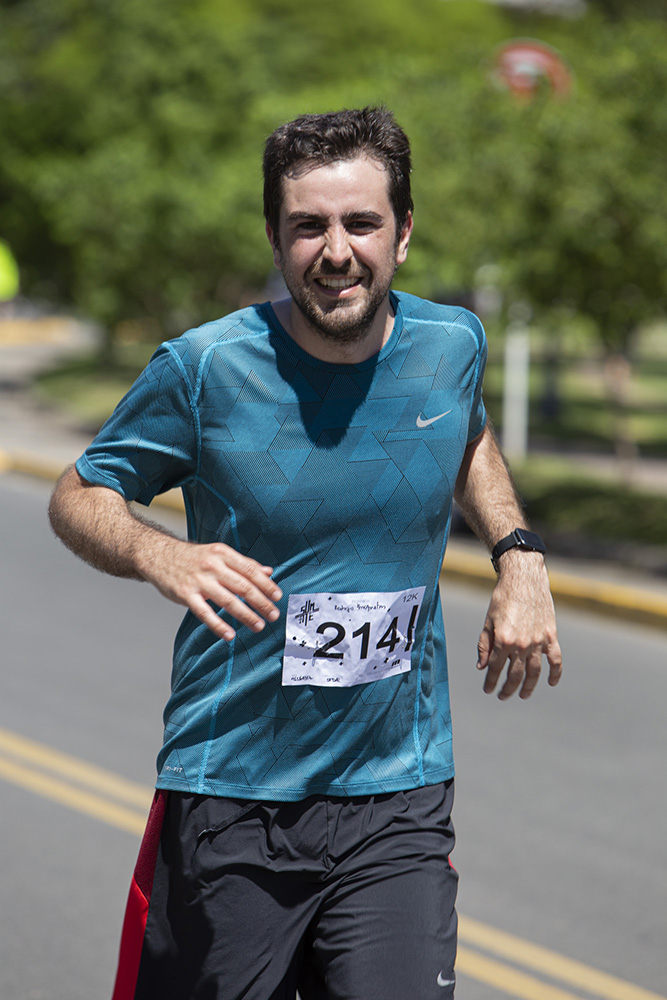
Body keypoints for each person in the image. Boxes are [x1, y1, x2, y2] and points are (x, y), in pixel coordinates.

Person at [49, 106, 562, 1000]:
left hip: (398, 799)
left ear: (403, 233)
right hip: (234, 797)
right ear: (275, 238)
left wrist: (518, 555)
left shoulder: (451, 346)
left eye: (361, 223)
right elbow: (78, 493)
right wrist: (160, 554)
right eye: (307, 226)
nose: (336, 251)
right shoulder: (204, 368)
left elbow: (467, 436)